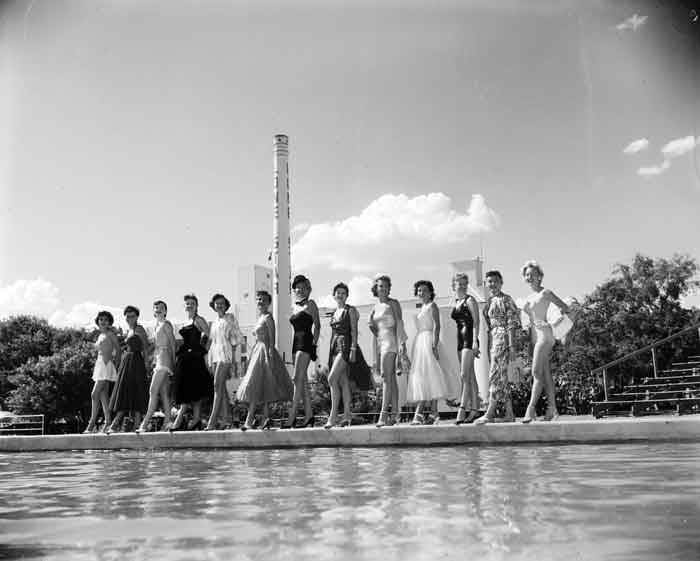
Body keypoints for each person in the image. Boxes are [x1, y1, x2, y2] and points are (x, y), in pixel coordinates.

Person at [521, 261, 570, 423]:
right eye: (527, 275)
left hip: (545, 336)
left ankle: (531, 409)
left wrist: (554, 324)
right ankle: (552, 410)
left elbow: (565, 307)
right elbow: (531, 321)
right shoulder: (529, 297)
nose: (530, 277)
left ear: (540, 276)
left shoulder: (546, 293)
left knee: (536, 373)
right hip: (536, 337)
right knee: (546, 374)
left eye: (533, 274)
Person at [237, 291, 294, 430]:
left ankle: (250, 421)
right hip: (257, 351)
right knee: (258, 385)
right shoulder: (260, 317)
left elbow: (272, 338)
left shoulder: (268, 317)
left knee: (262, 384)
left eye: (263, 300)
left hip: (265, 351)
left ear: (269, 302)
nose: (260, 302)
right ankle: (264, 419)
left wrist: (269, 355)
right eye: (258, 300)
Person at [406, 280, 461, 425]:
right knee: (425, 376)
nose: (421, 293)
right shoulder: (421, 307)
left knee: (432, 374)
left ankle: (422, 413)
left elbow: (437, 326)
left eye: (424, 290)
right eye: (419, 290)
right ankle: (434, 412)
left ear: (430, 292)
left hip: (429, 340)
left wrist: (434, 345)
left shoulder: (432, 306)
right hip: (420, 343)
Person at [324, 282, 374, 429]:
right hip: (335, 346)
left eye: (343, 293)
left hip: (346, 346)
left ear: (347, 296)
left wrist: (353, 349)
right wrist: (330, 352)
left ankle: (333, 416)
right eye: (337, 292)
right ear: (334, 295)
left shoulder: (350, 310)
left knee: (331, 378)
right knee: (343, 381)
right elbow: (334, 333)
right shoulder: (334, 312)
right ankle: (346, 415)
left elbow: (354, 331)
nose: (340, 295)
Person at [475, 270, 520, 424]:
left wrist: (512, 345)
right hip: (493, 338)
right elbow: (488, 326)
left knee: (495, 375)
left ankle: (490, 412)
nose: (492, 284)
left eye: (495, 281)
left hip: (503, 337)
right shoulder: (489, 302)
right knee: (501, 376)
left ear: (501, 282)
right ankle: (509, 413)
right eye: (489, 281)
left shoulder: (506, 300)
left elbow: (512, 323)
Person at [369, 274, 407, 427]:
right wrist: (372, 327)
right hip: (381, 343)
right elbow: (372, 326)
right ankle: (395, 414)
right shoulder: (375, 307)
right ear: (376, 289)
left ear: (389, 288)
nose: (383, 288)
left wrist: (401, 346)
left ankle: (383, 415)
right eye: (380, 286)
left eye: (386, 286)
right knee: (390, 378)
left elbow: (399, 324)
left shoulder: (394, 303)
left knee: (386, 377)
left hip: (391, 341)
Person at [171, 294, 212, 431]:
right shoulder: (185, 321)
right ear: (184, 306)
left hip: (195, 358)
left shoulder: (199, 320)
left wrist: (204, 350)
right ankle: (196, 420)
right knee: (190, 390)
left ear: (197, 305)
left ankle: (184, 420)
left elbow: (210, 335)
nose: (189, 305)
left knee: (195, 390)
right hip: (184, 358)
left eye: (192, 303)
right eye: (187, 303)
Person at [285, 275, 319, 429]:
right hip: (295, 344)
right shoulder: (294, 306)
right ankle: (309, 416)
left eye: (302, 287)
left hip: (305, 342)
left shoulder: (311, 304)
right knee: (303, 382)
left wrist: (314, 343)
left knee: (296, 378)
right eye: (297, 287)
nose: (299, 289)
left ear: (308, 289)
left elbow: (317, 326)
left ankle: (291, 417)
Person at [107, 306, 149, 433]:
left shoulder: (139, 329)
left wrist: (146, 365)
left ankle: (124, 424)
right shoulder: (129, 330)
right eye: (127, 316)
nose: (129, 318)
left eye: (132, 316)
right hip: (128, 361)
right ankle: (122, 424)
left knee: (134, 391)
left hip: (137, 362)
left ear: (137, 317)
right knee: (125, 391)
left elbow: (145, 348)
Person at [137, 300, 176, 433]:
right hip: (158, 359)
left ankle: (145, 422)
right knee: (163, 393)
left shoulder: (166, 324)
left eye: (161, 308)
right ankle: (167, 422)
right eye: (156, 308)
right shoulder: (156, 326)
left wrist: (173, 362)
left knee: (153, 390)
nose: (158, 309)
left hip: (165, 360)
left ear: (165, 311)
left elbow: (172, 344)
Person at [205, 293, 242, 431]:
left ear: (226, 305)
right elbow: (212, 342)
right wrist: (209, 359)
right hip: (215, 355)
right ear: (213, 306)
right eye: (217, 303)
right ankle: (227, 420)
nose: (219, 305)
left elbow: (237, 338)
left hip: (225, 354)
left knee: (217, 385)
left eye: (222, 303)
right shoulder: (214, 322)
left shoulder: (230, 317)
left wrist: (233, 357)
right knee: (221, 389)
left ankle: (212, 421)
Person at [451, 272, 483, 424]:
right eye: (459, 283)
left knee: (464, 375)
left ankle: (462, 409)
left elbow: (476, 322)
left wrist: (476, 342)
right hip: (459, 339)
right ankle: (475, 410)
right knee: (470, 376)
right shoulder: (456, 301)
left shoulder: (470, 300)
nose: (462, 286)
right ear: (454, 285)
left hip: (469, 339)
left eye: (465, 283)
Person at [84, 311, 120, 433]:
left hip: (107, 365)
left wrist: (116, 366)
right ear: (98, 321)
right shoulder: (100, 335)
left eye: (105, 319)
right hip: (100, 365)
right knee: (103, 395)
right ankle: (108, 421)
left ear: (109, 322)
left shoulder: (111, 334)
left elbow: (118, 351)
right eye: (100, 319)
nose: (103, 321)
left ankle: (91, 423)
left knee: (94, 394)